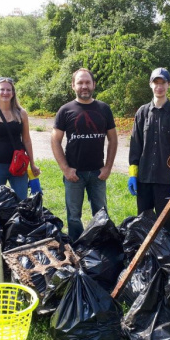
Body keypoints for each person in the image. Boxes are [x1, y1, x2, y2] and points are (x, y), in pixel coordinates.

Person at [51, 68, 118, 241]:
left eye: (87, 82)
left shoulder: (104, 109)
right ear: (73, 86)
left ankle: (100, 245)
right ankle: (77, 245)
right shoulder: (65, 110)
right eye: (80, 83)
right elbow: (55, 140)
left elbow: (113, 139)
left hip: (98, 173)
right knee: (73, 216)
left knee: (101, 214)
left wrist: (108, 167)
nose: (84, 86)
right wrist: (65, 169)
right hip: (74, 174)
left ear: (94, 84)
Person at [128, 67, 170, 234]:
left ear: (168, 85)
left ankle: (167, 258)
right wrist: (133, 173)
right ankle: (145, 257)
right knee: (142, 224)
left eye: (163, 83)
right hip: (144, 179)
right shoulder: (142, 112)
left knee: (166, 227)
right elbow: (135, 145)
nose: (159, 87)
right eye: (156, 82)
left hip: (166, 181)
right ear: (150, 85)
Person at [0, 77, 41, 202]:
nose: (5, 93)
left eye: (9, 90)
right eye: (2, 89)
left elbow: (27, 140)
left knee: (21, 201)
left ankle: (18, 222)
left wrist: (32, 164)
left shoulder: (21, 113)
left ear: (13, 93)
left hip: (18, 165)